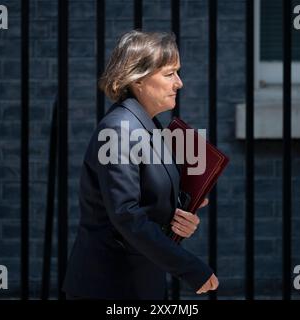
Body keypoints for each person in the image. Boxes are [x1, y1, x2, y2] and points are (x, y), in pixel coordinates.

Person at [62, 30, 218, 300]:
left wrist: (180, 215)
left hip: (139, 281)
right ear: (138, 80)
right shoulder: (119, 130)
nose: (179, 83)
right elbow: (127, 216)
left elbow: (147, 202)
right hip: (109, 286)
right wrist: (191, 268)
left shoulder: (148, 124)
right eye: (169, 74)